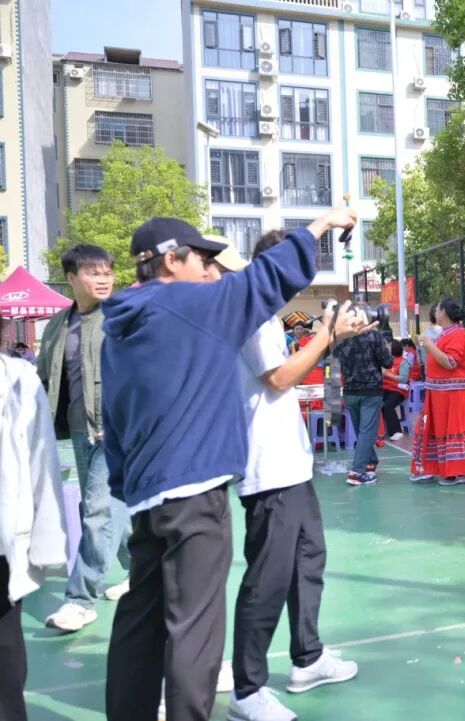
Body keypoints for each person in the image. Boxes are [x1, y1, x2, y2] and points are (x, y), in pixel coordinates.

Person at [100, 208, 357, 721]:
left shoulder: (121, 325)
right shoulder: (193, 305)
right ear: (171, 261)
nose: (209, 270)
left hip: (148, 496)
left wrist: (128, 483)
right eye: (202, 259)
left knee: (140, 619)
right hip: (194, 491)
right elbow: (269, 277)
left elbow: (115, 415)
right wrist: (322, 226)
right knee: (194, 629)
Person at [213, 231, 370, 721]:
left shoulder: (266, 313)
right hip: (267, 468)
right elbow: (279, 378)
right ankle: (248, 689)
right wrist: (328, 334)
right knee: (268, 579)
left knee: (308, 560)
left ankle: (308, 657)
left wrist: (329, 334)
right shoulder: (253, 313)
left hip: (289, 463)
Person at [37, 244, 131, 633]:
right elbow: (44, 378)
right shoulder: (57, 325)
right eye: (94, 272)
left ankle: (80, 600)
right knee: (109, 510)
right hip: (79, 429)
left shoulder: (123, 317)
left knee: (98, 509)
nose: (104, 279)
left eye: (107, 272)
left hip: (118, 430)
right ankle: (143, 571)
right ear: (71, 278)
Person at [0, 354, 68, 721]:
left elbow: (43, 462)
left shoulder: (19, 379)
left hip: (3, 547)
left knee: (6, 657)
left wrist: (46, 544)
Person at [410, 297, 465, 486]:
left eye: (437, 309)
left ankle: (455, 472)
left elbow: (450, 363)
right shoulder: (446, 333)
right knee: (430, 429)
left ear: (444, 313)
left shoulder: (458, 334)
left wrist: (429, 346)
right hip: (436, 392)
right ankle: (430, 468)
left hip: (451, 394)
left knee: (451, 430)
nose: (435, 312)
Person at [334, 300, 393, 486]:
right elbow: (388, 362)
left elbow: (334, 362)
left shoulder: (341, 337)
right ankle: (357, 472)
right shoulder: (374, 336)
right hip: (370, 391)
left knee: (362, 431)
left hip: (350, 391)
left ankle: (370, 462)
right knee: (367, 431)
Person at [381, 339, 411, 441]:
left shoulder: (403, 362)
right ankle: (379, 430)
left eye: (389, 347)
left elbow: (404, 379)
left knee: (388, 405)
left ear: (394, 349)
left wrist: (388, 374)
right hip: (385, 388)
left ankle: (396, 431)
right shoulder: (386, 361)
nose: (386, 348)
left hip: (399, 390)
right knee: (374, 402)